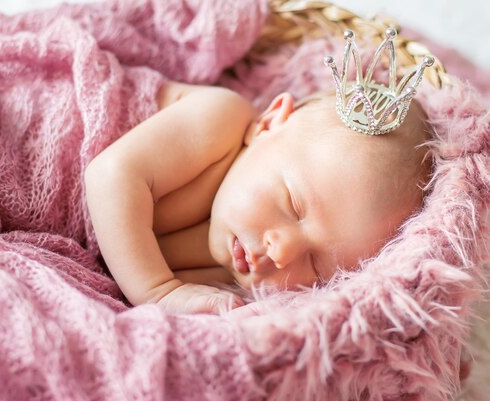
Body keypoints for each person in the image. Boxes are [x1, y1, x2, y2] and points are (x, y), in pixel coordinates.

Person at [84, 80, 432, 314]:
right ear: (268, 124)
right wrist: (159, 291)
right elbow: (108, 176)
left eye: (316, 265)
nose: (283, 252)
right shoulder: (220, 120)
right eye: (294, 206)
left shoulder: (231, 270)